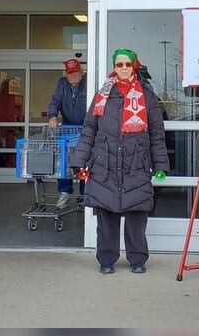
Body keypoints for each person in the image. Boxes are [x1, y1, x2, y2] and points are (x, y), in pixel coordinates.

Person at [70, 49, 169, 274]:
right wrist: (80, 160)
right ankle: (106, 259)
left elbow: (157, 133)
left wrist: (161, 165)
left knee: (136, 215)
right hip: (104, 163)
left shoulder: (147, 95)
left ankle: (137, 259)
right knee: (106, 215)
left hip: (136, 162)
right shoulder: (102, 94)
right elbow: (89, 131)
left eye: (127, 64)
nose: (123, 68)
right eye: (119, 64)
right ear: (114, 67)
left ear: (134, 66)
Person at [46, 59, 87, 209]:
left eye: (76, 72)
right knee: (63, 162)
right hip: (68, 130)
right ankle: (65, 192)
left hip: (86, 129)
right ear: (66, 74)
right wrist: (52, 117)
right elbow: (55, 102)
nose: (73, 75)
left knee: (85, 164)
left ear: (81, 72)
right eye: (70, 73)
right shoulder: (62, 84)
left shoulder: (88, 82)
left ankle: (84, 197)